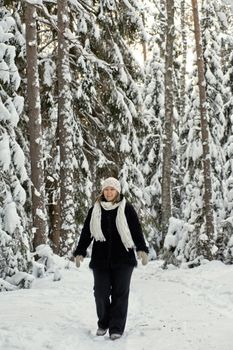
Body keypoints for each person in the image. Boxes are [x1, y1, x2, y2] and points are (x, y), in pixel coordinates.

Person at [73, 177, 149, 341]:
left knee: (120, 294)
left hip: (123, 258)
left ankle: (116, 327)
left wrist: (142, 249)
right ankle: (104, 322)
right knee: (100, 292)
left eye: (112, 189)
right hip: (100, 259)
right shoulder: (95, 210)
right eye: (106, 189)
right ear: (102, 191)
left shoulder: (126, 208)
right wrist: (80, 251)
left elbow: (136, 230)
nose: (108, 192)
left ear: (118, 191)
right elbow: (87, 232)